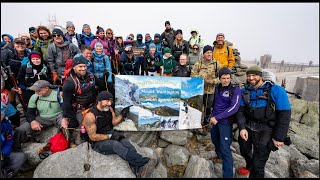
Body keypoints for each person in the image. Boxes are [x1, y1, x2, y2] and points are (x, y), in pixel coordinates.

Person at [82, 91, 159, 178]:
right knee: (116, 145)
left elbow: (114, 122)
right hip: (96, 143)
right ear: (99, 101)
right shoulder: (90, 116)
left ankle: (137, 168)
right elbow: (93, 137)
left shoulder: (109, 109)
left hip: (108, 132)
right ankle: (143, 162)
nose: (110, 103)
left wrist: (122, 114)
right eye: (107, 101)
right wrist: (110, 136)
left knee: (125, 142)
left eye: (110, 101)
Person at [236, 65, 291, 178]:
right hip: (248, 127)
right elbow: (240, 111)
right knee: (244, 150)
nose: (251, 78)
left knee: (258, 165)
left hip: (266, 130)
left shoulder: (276, 90)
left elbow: (284, 115)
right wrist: (242, 128)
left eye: (254, 75)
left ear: (261, 76)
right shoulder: (244, 91)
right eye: (249, 75)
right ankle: (249, 165)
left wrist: (279, 137)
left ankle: (254, 170)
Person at [12, 80, 67, 151]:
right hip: (42, 118)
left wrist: (64, 118)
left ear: (46, 88)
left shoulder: (59, 95)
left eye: (38, 90)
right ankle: (17, 148)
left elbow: (67, 109)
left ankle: (70, 142)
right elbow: (29, 113)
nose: (35, 92)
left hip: (58, 116)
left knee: (65, 126)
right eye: (35, 90)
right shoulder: (35, 97)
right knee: (20, 130)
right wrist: (32, 121)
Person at [210, 67, 241, 178]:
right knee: (214, 139)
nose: (226, 80)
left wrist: (218, 117)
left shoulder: (235, 90)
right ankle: (219, 156)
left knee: (225, 148)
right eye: (224, 78)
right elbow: (215, 104)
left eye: (228, 78)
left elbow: (234, 108)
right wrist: (212, 116)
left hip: (225, 122)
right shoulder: (217, 87)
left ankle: (228, 175)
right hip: (215, 120)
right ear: (219, 79)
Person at [62, 57, 97, 147]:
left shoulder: (90, 76)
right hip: (80, 110)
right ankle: (80, 143)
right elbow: (66, 103)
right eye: (80, 66)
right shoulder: (70, 83)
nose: (83, 68)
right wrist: (72, 118)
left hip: (93, 105)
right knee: (83, 128)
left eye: (84, 66)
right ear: (74, 67)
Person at [191, 45, 222, 135]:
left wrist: (212, 81)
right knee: (198, 108)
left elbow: (221, 77)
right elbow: (192, 75)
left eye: (210, 52)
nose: (209, 54)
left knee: (208, 108)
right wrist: (201, 79)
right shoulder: (198, 64)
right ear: (203, 54)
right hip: (199, 91)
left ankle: (206, 124)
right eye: (207, 52)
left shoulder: (217, 64)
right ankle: (196, 124)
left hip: (210, 91)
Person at [1, 91, 27, 178]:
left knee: (21, 156)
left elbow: (9, 140)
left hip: (3, 154)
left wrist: (4, 153)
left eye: (1, 113)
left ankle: (7, 172)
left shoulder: (6, 123)